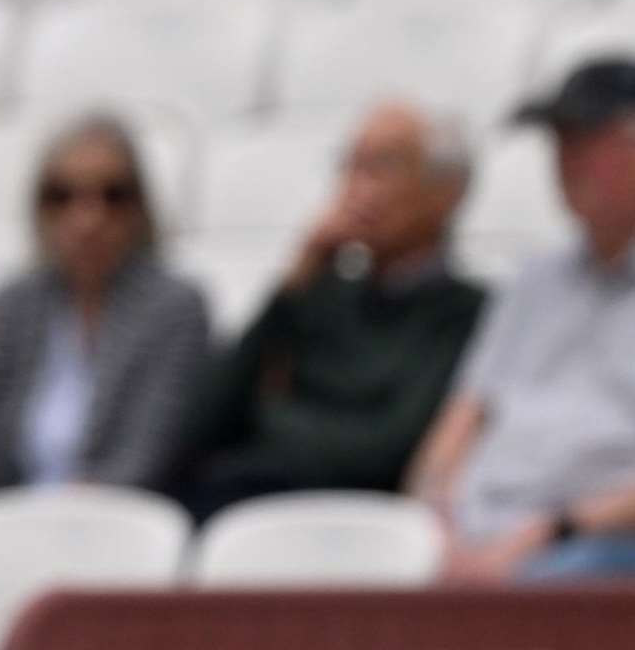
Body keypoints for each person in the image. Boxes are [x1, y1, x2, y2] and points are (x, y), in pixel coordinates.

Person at [172, 103, 487, 522]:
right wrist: (293, 284)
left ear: (447, 191)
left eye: (383, 166)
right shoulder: (317, 292)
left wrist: (268, 418)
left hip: (356, 528)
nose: (358, 187)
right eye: (350, 166)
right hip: (246, 507)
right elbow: (201, 427)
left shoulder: (467, 312)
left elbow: (388, 450)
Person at [409, 57, 635, 582]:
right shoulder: (532, 281)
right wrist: (436, 518)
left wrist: (555, 530)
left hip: (594, 542)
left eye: (586, 143)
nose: (565, 163)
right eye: (560, 144)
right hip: (484, 534)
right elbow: (460, 420)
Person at [0, 114, 209, 507]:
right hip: (14, 520)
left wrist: (55, 514)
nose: (87, 219)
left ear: (140, 208)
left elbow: (148, 461)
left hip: (115, 525)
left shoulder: (174, 310)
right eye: (62, 196)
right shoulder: (11, 305)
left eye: (113, 195)